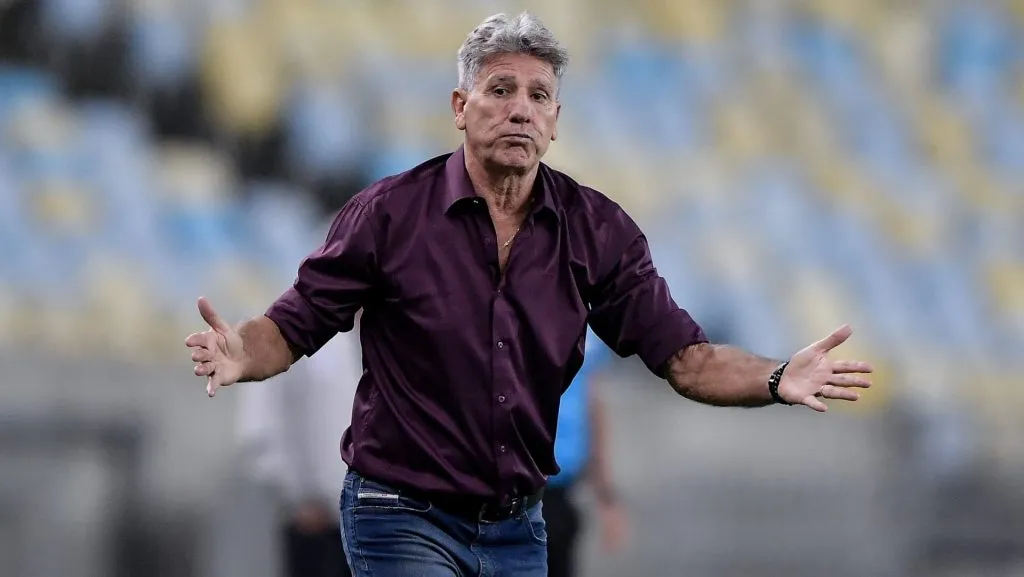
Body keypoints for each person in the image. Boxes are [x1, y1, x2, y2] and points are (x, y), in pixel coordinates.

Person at [185, 12, 873, 577]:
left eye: (538, 96)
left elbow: (686, 359)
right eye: (501, 90)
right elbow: (297, 321)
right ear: (461, 107)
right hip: (401, 513)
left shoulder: (598, 231)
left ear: (556, 121)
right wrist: (242, 351)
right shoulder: (389, 215)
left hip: (520, 523)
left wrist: (776, 375)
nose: (520, 109)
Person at [235, 328, 362, 577]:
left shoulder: (399, 334)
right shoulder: (291, 330)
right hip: (317, 524)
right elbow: (261, 431)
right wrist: (299, 498)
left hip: (383, 526)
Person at [544, 328, 628, 577]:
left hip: (557, 489)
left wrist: (606, 495)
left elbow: (593, 409)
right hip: (518, 488)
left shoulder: (585, 328)